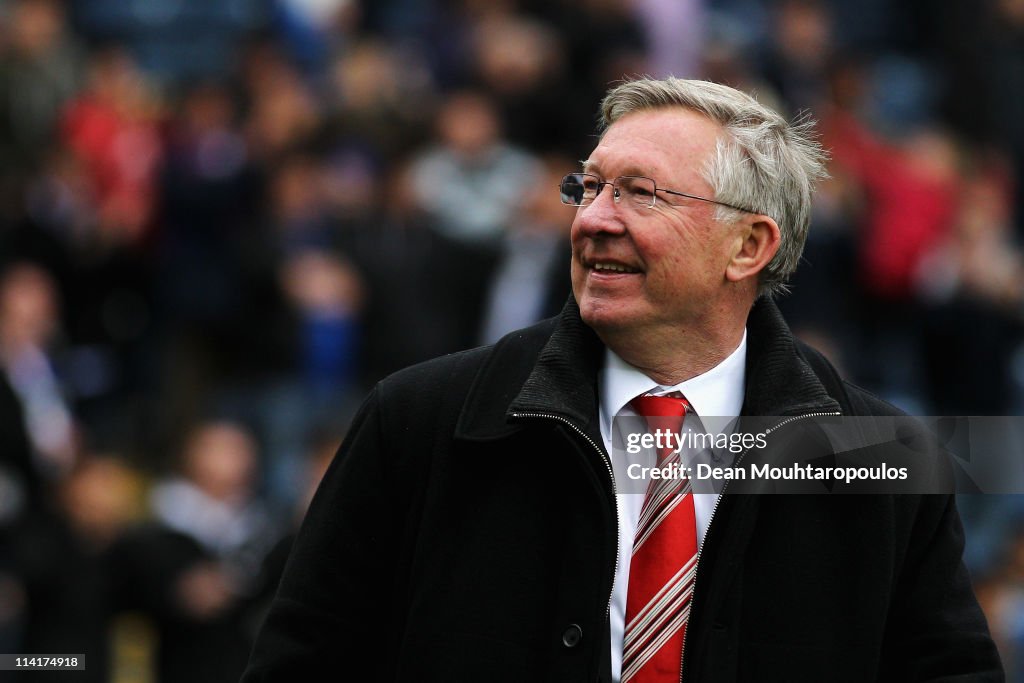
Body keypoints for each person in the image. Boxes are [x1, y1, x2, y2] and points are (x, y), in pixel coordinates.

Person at [242, 78, 1002, 682]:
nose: (592, 219)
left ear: (748, 245)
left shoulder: (878, 460)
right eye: (589, 187)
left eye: (641, 192)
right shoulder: (418, 421)